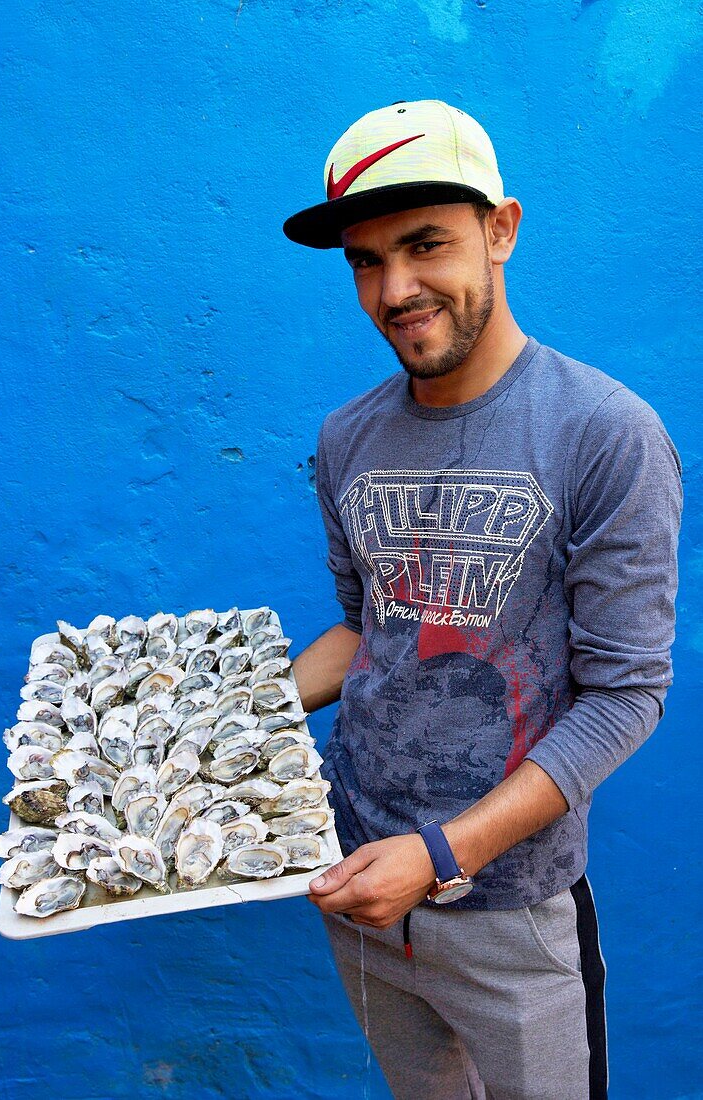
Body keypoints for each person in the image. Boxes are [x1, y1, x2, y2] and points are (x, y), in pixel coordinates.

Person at [282, 99, 682, 1100]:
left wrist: (437, 856)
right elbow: (368, 627)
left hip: (512, 905)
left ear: (501, 228)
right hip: (356, 884)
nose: (395, 288)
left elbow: (625, 695)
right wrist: (246, 712)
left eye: (425, 245)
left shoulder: (605, 433)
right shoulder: (345, 438)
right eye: (365, 261)